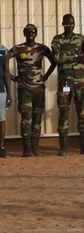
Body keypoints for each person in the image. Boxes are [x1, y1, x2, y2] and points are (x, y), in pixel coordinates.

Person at [50, 13, 84, 155]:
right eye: (67, 23)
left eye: (72, 23)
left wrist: (71, 58)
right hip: (66, 83)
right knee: (64, 112)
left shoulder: (81, 38)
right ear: (63, 24)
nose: (70, 25)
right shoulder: (57, 40)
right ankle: (63, 147)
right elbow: (57, 57)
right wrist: (78, 57)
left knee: (82, 113)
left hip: (80, 83)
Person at [10, 24, 56, 157]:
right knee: (26, 119)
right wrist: (12, 77)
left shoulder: (42, 48)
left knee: (37, 118)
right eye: (28, 32)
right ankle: (27, 148)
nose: (31, 35)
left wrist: (46, 76)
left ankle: (35, 146)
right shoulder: (18, 49)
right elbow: (5, 60)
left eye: (33, 32)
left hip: (39, 89)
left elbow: (54, 62)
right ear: (24, 33)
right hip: (25, 89)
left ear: (36, 34)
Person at [0, 39, 10, 158]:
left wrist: (9, 94)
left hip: (0, 91)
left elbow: (6, 73)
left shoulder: (4, 50)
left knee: (1, 119)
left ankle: (1, 148)